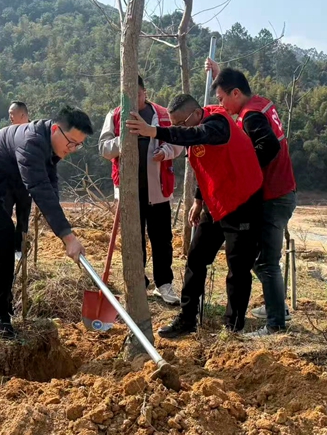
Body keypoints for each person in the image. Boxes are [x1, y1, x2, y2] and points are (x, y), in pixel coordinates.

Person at [0, 105, 93, 337]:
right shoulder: (31, 141)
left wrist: (63, 232)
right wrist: (68, 237)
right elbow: (39, 188)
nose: (73, 149)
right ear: (56, 129)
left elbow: (50, 187)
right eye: (71, 142)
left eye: (78, 145)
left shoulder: (48, 145)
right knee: (3, 232)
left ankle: (0, 303)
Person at [127, 94, 264, 339]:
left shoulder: (218, 124)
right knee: (196, 258)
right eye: (174, 124)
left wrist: (154, 132)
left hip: (243, 200)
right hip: (216, 201)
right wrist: (199, 201)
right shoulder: (195, 129)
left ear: (196, 114)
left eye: (180, 123)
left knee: (237, 267)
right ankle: (187, 318)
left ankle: (232, 328)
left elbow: (196, 135)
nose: (178, 129)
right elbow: (206, 165)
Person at [206, 61, 298, 336]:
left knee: (265, 261)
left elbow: (267, 145)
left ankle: (276, 324)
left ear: (235, 93)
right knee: (264, 260)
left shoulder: (251, 116)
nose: (222, 105)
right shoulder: (260, 104)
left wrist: (245, 170)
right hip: (282, 191)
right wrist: (220, 72)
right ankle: (277, 307)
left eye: (222, 98)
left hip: (274, 195)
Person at [99, 75, 184, 304]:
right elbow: (104, 148)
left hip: (158, 190)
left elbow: (177, 143)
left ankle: (164, 284)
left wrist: (165, 152)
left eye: (136, 94)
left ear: (145, 92)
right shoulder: (115, 115)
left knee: (162, 239)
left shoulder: (163, 114)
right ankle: (139, 284)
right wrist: (122, 140)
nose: (133, 100)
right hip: (129, 193)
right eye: (127, 96)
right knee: (134, 240)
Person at [7, 101, 32, 260]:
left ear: (22, 115)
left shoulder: (34, 132)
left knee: (23, 218)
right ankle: (6, 247)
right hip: (8, 183)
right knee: (4, 215)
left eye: (12, 113)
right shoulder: (8, 133)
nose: (9, 117)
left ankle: (19, 249)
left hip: (26, 184)